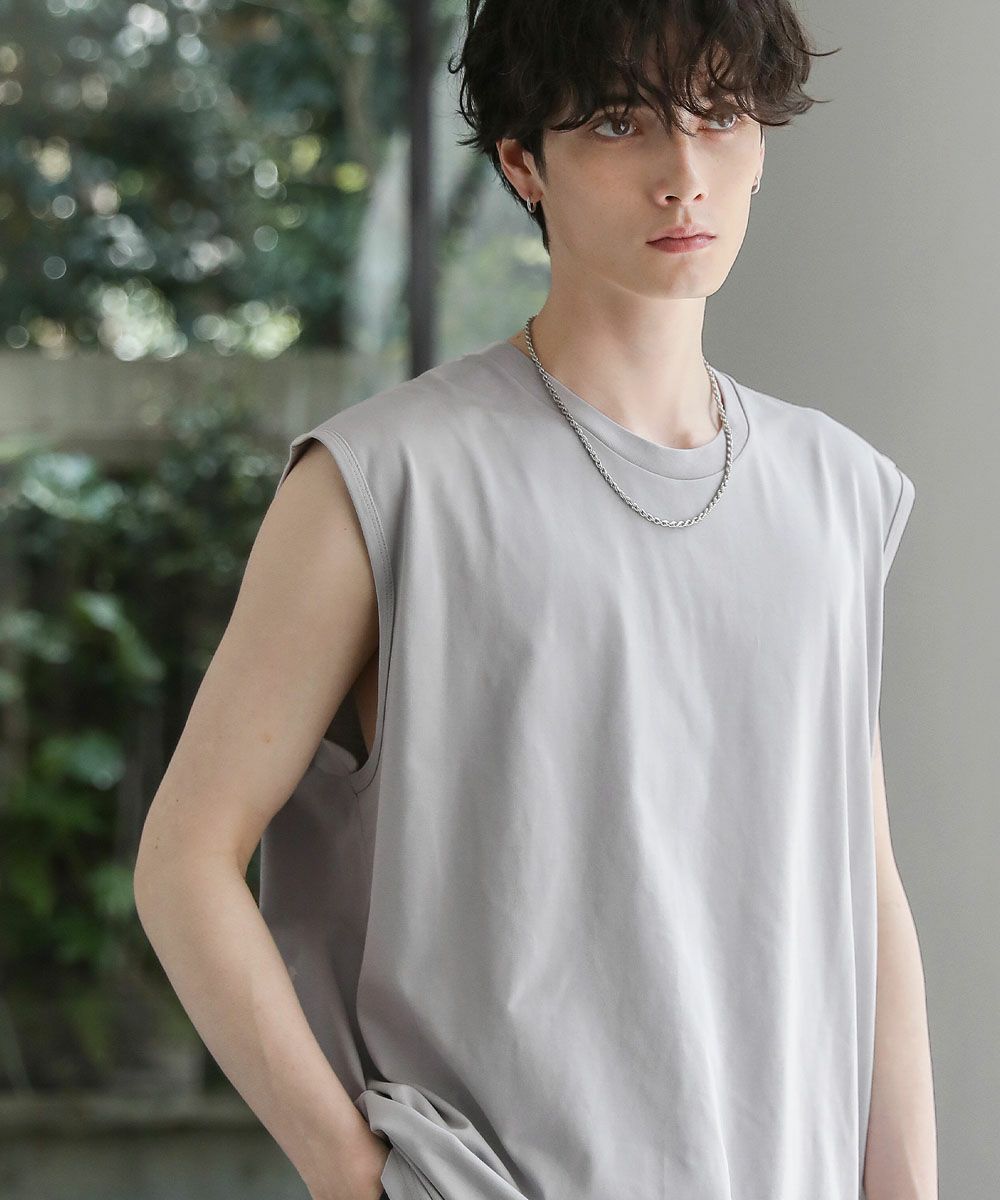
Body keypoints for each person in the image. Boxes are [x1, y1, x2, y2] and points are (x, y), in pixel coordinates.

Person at [134, 1, 938, 1199]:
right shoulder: (385, 480)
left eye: (719, 116)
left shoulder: (839, 491)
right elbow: (185, 859)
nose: (683, 172)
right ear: (522, 162)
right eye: (619, 122)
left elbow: (862, 890)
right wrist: (353, 1174)